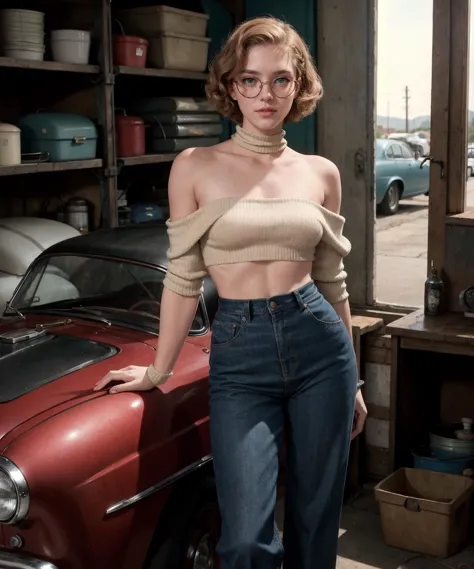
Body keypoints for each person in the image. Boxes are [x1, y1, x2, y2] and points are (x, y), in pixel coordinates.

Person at [94, 15, 367, 569]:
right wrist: (157, 371)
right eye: (250, 79)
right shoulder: (195, 166)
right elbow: (182, 278)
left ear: (300, 84)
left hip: (320, 347)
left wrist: (354, 379)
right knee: (244, 540)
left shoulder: (322, 173)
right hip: (241, 355)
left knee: (315, 525)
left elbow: (332, 282)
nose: (266, 94)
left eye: (280, 79)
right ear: (230, 85)